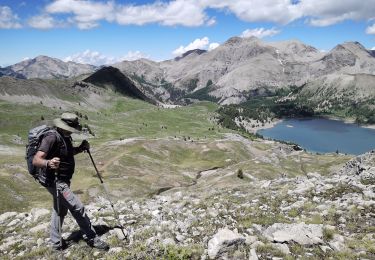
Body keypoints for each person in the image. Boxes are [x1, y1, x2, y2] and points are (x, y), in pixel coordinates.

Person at [32, 113, 109, 251]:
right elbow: (36, 160)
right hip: (55, 181)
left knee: (60, 210)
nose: (73, 131)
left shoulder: (65, 136)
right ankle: (91, 237)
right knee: (77, 207)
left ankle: (56, 243)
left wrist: (80, 148)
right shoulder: (51, 137)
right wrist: (48, 162)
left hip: (63, 180)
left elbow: (67, 152)